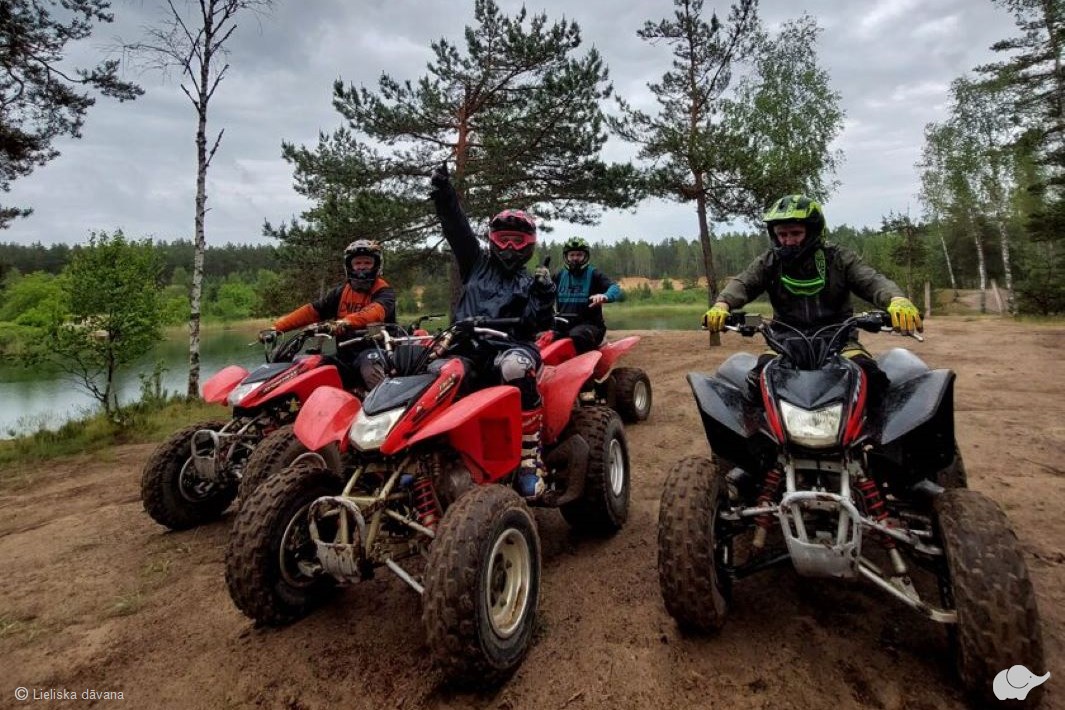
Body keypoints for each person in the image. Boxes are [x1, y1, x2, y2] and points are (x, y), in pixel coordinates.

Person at [701, 194, 923, 399]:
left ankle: (872, 430)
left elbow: (871, 280)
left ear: (814, 231)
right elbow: (744, 282)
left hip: (839, 340)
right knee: (756, 385)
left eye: (795, 233)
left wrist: (897, 299)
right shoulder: (770, 261)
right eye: (782, 234)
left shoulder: (839, 258)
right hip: (784, 342)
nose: (788, 240)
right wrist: (722, 304)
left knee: (872, 380)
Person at [429, 162, 556, 500]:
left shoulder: (530, 282)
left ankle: (530, 459)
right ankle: (431, 453)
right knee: (432, 371)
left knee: (515, 366)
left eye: (518, 240)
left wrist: (545, 294)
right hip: (468, 347)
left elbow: (538, 324)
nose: (510, 247)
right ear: (492, 240)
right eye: (503, 239)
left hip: (512, 346)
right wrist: (444, 192)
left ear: (529, 244)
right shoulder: (475, 263)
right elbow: (456, 228)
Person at [270, 239, 397, 393]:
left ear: (377, 265)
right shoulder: (340, 293)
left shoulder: (384, 291)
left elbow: (374, 312)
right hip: (344, 356)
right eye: (357, 263)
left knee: (371, 369)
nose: (362, 267)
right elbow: (312, 311)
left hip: (376, 351)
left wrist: (344, 322)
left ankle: (386, 404)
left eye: (367, 263)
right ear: (349, 266)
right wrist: (276, 328)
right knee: (311, 366)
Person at [553, 236, 623, 353]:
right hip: (563, 325)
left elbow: (615, 288)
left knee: (576, 336)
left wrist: (605, 296)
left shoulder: (594, 274)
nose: (575, 258)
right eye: (572, 255)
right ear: (566, 257)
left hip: (590, 326)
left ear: (585, 256)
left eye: (579, 255)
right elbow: (543, 293)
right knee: (541, 335)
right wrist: (540, 283)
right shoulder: (559, 275)